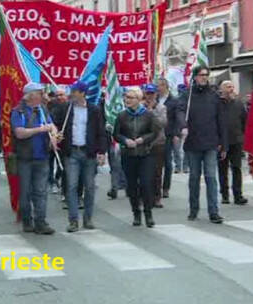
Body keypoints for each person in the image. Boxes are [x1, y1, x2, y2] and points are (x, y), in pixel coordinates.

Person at [54, 80, 107, 232]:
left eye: (75, 91)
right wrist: (56, 135)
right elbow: (56, 125)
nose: (72, 94)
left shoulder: (94, 110)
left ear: (83, 93)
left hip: (89, 153)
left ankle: (88, 218)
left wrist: (102, 152)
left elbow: (101, 132)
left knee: (89, 186)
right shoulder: (66, 109)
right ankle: (73, 220)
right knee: (71, 186)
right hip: (72, 152)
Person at [179, 66, 227, 224]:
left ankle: (214, 211)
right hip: (193, 143)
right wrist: (183, 126)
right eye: (201, 75)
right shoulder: (187, 95)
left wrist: (223, 144)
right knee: (194, 178)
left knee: (211, 178)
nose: (204, 78)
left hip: (211, 143)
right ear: (195, 77)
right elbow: (180, 112)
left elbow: (221, 121)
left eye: (207, 75)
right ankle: (193, 209)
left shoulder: (214, 96)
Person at [11, 82, 60, 234]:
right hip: (25, 158)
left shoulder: (43, 110)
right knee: (25, 191)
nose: (43, 96)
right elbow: (19, 133)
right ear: (31, 95)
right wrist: (41, 129)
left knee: (41, 191)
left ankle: (41, 222)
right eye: (40, 93)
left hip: (42, 156)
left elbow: (52, 125)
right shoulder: (18, 111)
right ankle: (27, 220)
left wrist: (54, 134)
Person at [114, 87, 160, 228]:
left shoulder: (148, 115)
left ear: (138, 99)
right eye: (126, 97)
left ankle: (148, 213)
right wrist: (125, 140)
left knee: (146, 184)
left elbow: (154, 132)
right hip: (129, 155)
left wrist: (142, 140)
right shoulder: (122, 116)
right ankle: (136, 213)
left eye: (130, 97)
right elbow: (116, 134)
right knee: (132, 186)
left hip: (145, 154)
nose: (127, 100)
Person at [217, 81, 248, 205]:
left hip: (236, 141)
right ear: (222, 89)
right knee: (222, 169)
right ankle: (224, 195)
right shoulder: (217, 104)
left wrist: (243, 137)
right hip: (221, 142)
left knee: (236, 168)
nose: (231, 89)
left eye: (232, 87)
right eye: (228, 87)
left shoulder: (239, 104)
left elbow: (245, 120)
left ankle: (238, 195)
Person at [157, 78, 183, 198]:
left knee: (167, 162)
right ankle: (156, 186)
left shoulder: (174, 100)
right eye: (157, 85)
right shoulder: (154, 99)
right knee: (156, 163)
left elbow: (178, 118)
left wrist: (177, 134)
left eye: (161, 85)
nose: (159, 88)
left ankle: (166, 187)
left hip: (168, 134)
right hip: (155, 135)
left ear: (166, 86)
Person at [143, 83, 167, 208]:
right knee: (143, 172)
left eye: (152, 93)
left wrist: (152, 111)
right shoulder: (140, 107)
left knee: (157, 172)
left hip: (158, 143)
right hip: (143, 143)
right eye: (148, 93)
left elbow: (162, 123)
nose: (150, 96)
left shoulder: (161, 108)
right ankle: (145, 196)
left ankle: (157, 197)